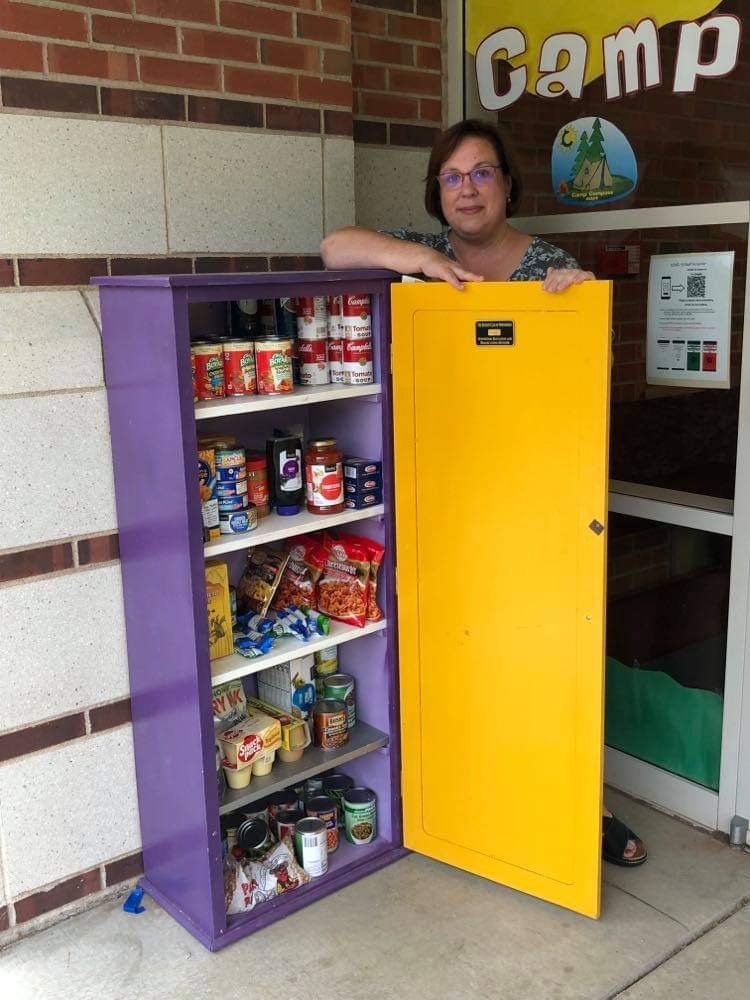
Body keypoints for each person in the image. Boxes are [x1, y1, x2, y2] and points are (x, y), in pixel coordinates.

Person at [321, 117, 647, 867]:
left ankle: (579, 811)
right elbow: (335, 247)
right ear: (437, 192)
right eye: (452, 177)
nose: (467, 189)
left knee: (547, 668)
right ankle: (480, 809)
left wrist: (575, 305)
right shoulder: (426, 254)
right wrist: (419, 262)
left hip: (536, 505)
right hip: (450, 505)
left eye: (481, 173)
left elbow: (585, 381)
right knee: (465, 667)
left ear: (507, 184)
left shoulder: (550, 265)